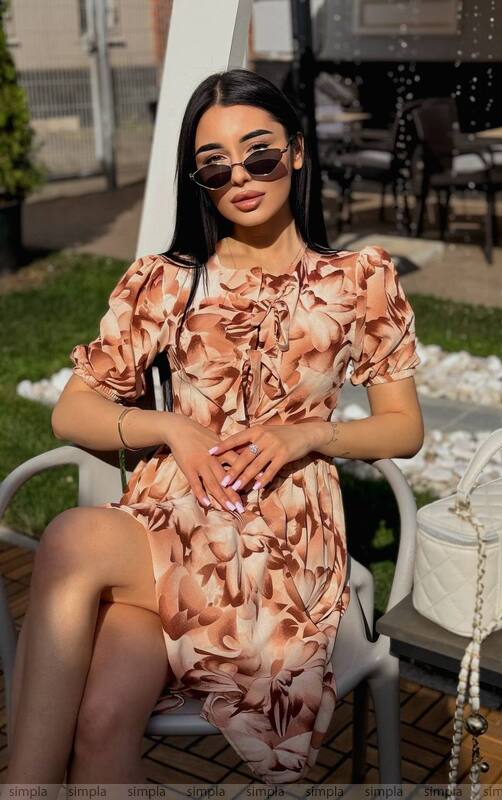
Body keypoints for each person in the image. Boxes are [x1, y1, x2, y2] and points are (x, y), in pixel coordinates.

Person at [6, 67, 424, 787]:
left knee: (74, 538)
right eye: (215, 166)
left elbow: (402, 429)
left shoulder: (359, 279)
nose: (242, 177)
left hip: (278, 543)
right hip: (164, 524)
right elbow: (71, 411)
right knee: (102, 721)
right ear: (198, 179)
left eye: (260, 154)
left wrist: (309, 436)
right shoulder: (164, 281)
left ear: (296, 152)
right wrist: (168, 426)